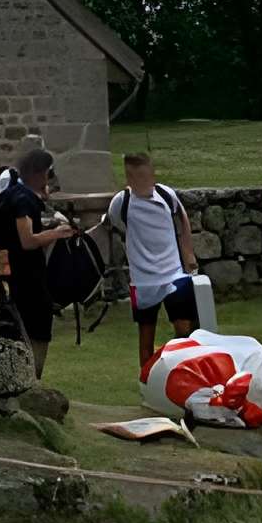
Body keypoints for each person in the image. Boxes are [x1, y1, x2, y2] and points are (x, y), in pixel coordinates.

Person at [0, 147, 76, 378]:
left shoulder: (11, 195)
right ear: (39, 173)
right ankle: (33, 378)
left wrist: (47, 230)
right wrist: (59, 233)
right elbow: (27, 241)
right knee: (39, 327)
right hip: (27, 275)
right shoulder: (24, 200)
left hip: (13, 272)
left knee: (21, 325)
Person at [105, 152, 199, 373]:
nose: (144, 182)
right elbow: (114, 225)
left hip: (174, 275)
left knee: (185, 330)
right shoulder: (121, 202)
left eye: (147, 176)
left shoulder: (166, 195)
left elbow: (182, 220)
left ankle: (178, 370)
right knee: (146, 334)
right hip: (143, 281)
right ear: (129, 179)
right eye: (137, 177)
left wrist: (189, 256)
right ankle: (147, 380)